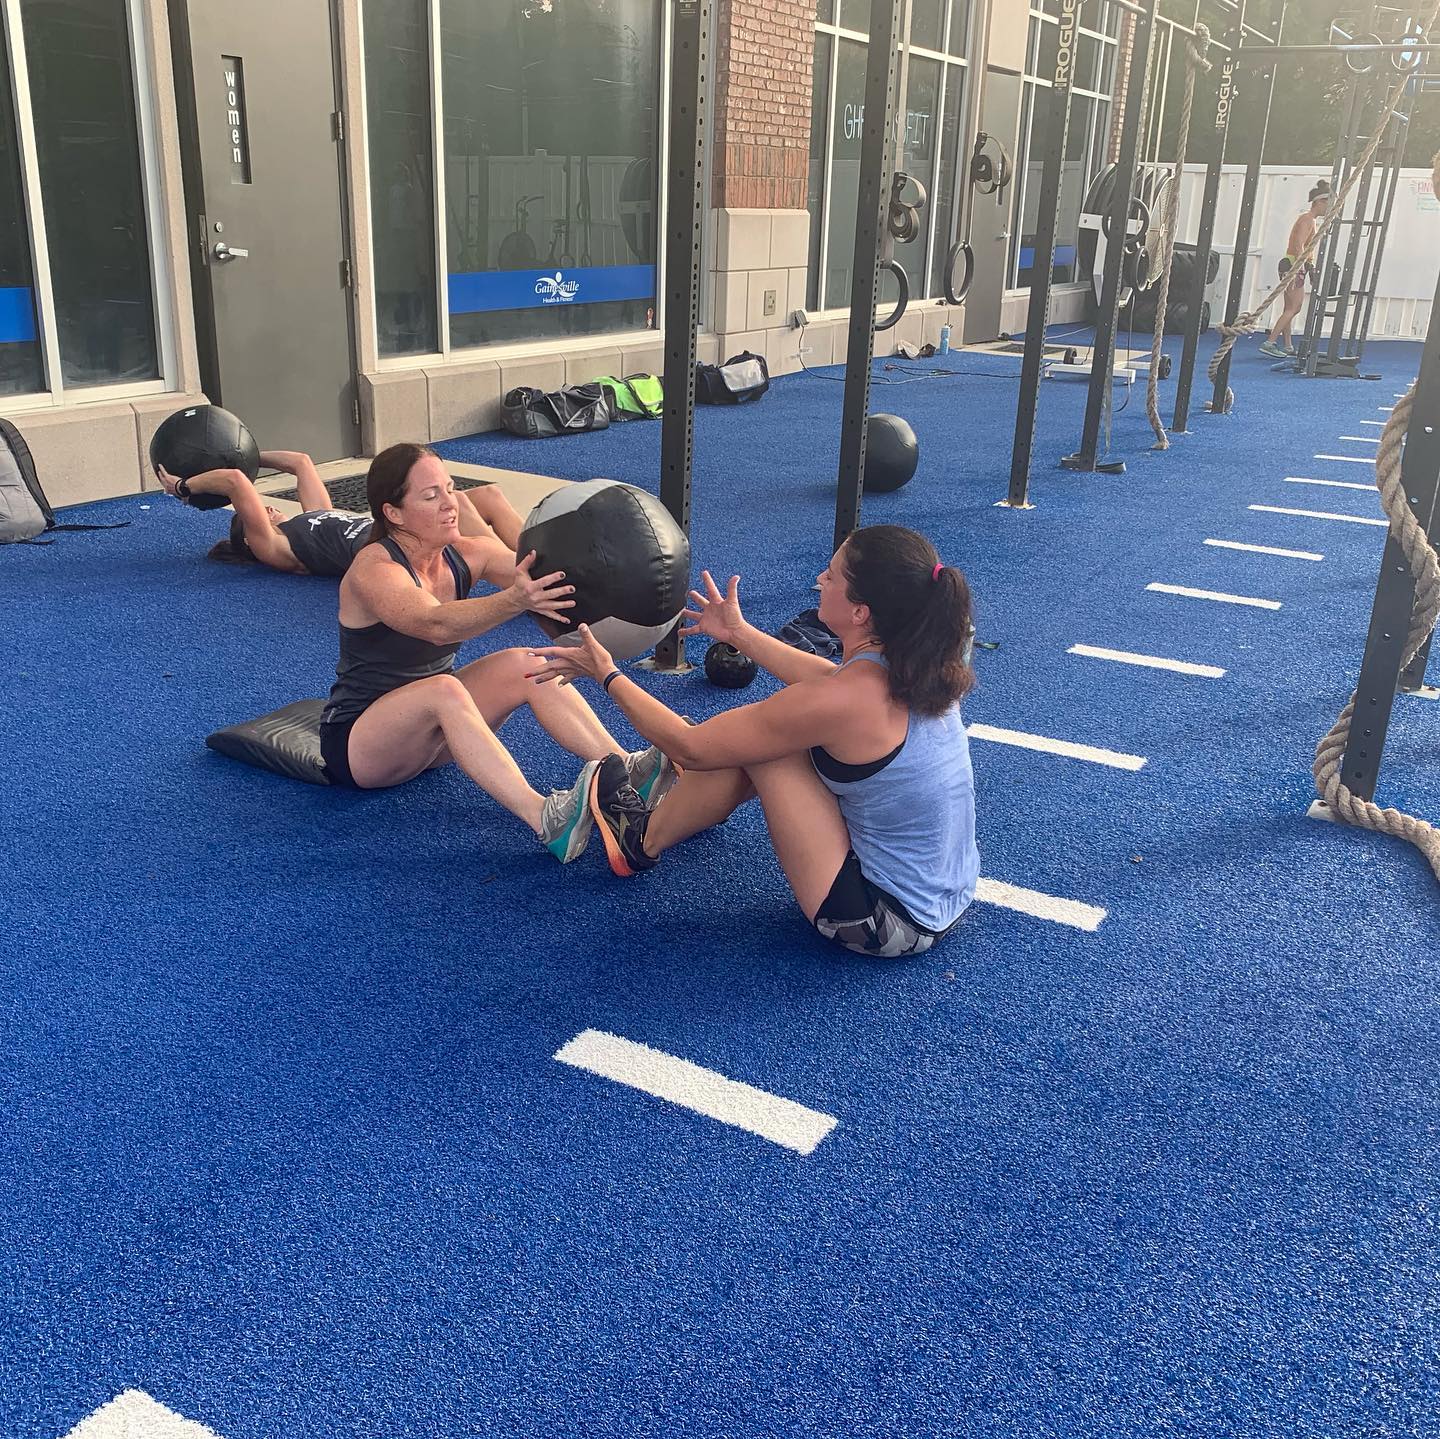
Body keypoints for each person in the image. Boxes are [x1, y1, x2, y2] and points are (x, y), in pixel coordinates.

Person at [528, 525, 981, 958]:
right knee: (758, 737)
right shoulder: (916, 662)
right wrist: (739, 633)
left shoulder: (845, 700)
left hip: (883, 923)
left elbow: (689, 747)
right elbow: (826, 678)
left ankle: (638, 840)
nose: (819, 579)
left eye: (831, 576)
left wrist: (605, 673)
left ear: (861, 612)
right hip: (946, 900)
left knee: (764, 749)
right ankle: (685, 805)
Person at [317, 442, 666, 863]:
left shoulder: (466, 553)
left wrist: (620, 569)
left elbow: (543, 576)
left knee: (527, 663)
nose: (450, 503)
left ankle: (628, 769)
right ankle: (545, 819)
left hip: (432, 737)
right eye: (431, 496)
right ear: (394, 513)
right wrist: (516, 600)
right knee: (444, 689)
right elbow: (435, 625)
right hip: (362, 746)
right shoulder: (374, 570)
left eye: (450, 489)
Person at [157, 449, 525, 577]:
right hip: (389, 548)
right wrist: (183, 487)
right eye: (256, 515)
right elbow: (235, 482)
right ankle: (522, 577)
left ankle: (537, 556)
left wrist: (246, 453)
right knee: (457, 504)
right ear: (251, 538)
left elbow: (300, 462)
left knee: (487, 495)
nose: (267, 508)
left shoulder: (316, 517)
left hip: (390, 528)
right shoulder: (275, 548)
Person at [1260, 180, 1331, 359]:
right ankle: (1269, 342)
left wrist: (1308, 265)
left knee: (1289, 307)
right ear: (1319, 202)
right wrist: (1303, 265)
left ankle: (1287, 345)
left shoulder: (1309, 220)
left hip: (1293, 263)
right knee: (1295, 307)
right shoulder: (1307, 219)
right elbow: (1299, 244)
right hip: (1293, 264)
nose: (1328, 208)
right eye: (1327, 204)